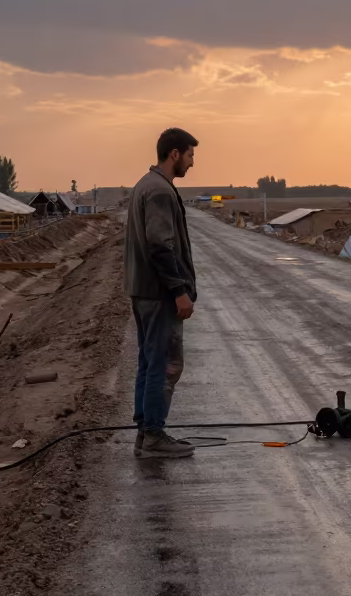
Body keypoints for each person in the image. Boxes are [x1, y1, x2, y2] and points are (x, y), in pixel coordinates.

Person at [124, 128, 200, 458]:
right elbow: (160, 246)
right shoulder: (159, 191)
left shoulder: (147, 184)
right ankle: (154, 434)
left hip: (144, 291)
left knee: (148, 361)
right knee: (164, 364)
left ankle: (146, 430)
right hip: (158, 294)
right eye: (190, 155)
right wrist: (179, 291)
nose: (192, 163)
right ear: (174, 154)